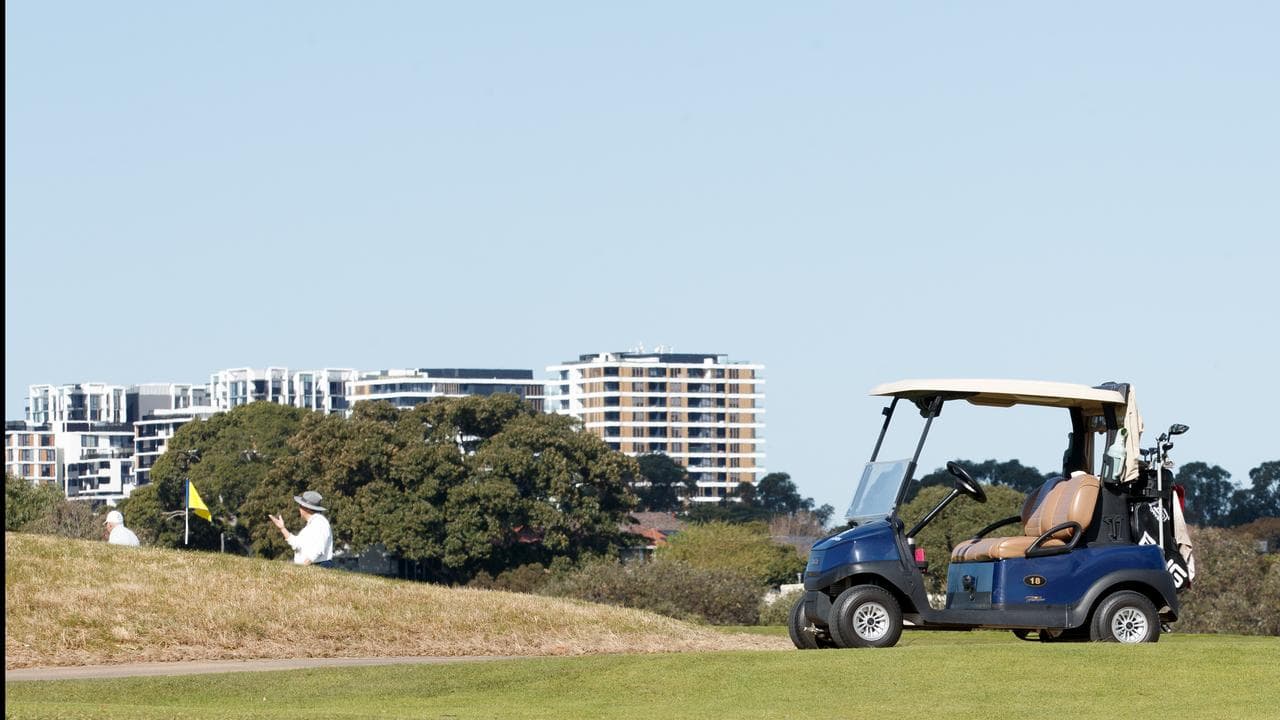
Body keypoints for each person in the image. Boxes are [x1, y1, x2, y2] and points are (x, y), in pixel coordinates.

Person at [268, 490, 333, 566]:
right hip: (312, 565)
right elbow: (296, 544)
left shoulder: (320, 522)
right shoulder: (313, 524)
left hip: (317, 565)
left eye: (301, 506)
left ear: (307, 508)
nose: (299, 509)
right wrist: (282, 528)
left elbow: (319, 548)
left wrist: (305, 564)